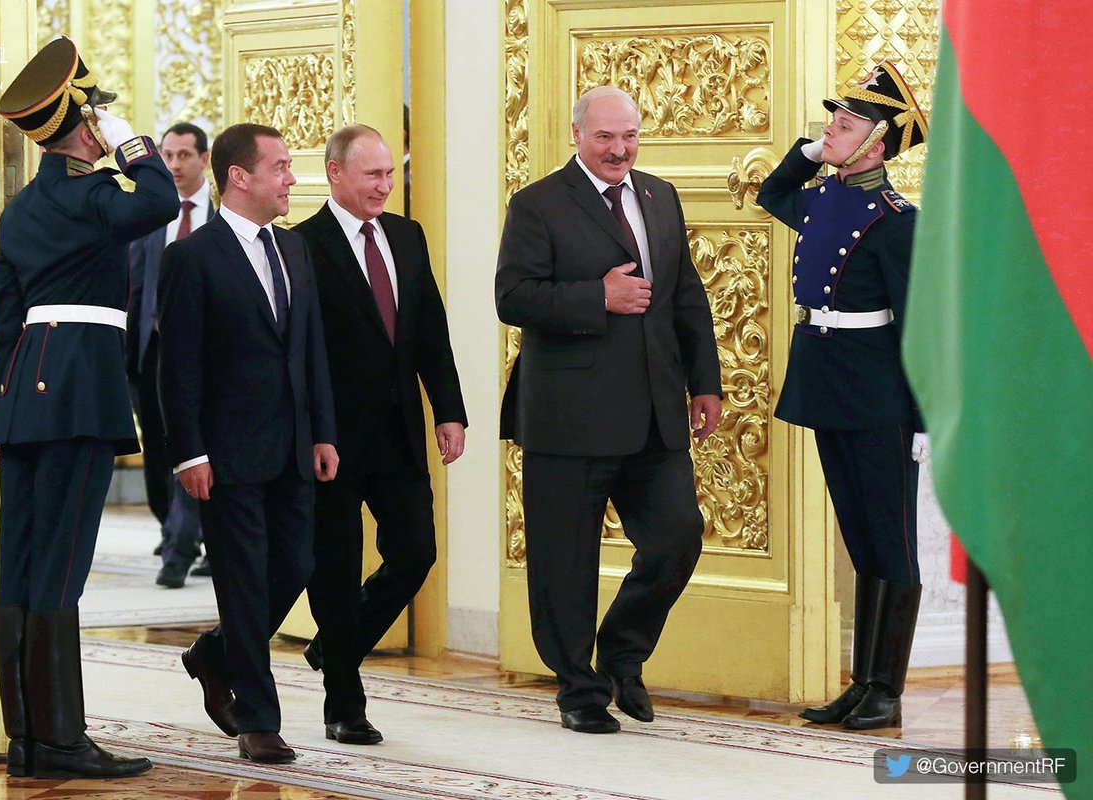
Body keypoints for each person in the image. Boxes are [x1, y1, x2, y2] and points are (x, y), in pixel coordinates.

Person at [495, 86, 722, 734]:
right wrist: (596, 296)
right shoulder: (537, 204)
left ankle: (622, 653)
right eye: (605, 137)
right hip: (569, 417)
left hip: (654, 412)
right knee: (564, 565)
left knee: (677, 537)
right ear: (576, 135)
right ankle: (579, 690)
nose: (619, 149)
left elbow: (685, 294)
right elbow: (513, 297)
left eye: (629, 136)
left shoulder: (661, 196)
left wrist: (705, 383)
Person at [0, 36, 179, 778]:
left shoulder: (22, 210)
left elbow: (4, 321)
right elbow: (160, 200)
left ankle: (27, 739)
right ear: (83, 122)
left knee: (22, 564)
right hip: (79, 393)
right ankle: (62, 741)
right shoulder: (94, 197)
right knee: (62, 565)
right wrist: (131, 141)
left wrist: (2, 406)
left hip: (23, 395)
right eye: (96, 112)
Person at [158, 123, 339, 763]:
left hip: (293, 446)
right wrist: (189, 452)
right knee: (241, 580)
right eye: (281, 167)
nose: (292, 178)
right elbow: (177, 365)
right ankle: (258, 721)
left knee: (296, 564)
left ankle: (215, 652)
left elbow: (310, 349)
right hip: (226, 453)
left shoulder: (294, 248)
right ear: (240, 176)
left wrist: (322, 432)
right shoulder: (191, 257)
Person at [756, 61, 929, 730]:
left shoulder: (897, 220)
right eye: (833, 120)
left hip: (880, 394)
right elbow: (773, 191)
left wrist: (923, 417)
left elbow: (919, 324)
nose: (831, 130)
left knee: (892, 539)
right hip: (827, 382)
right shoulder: (822, 198)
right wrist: (810, 152)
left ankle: (887, 689)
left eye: (847, 125)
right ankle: (862, 684)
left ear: (878, 145)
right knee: (859, 537)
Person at [294, 124, 467, 745]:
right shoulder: (301, 245)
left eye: (390, 173)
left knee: (416, 552)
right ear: (335, 173)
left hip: (398, 433)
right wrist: (312, 432)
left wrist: (448, 410)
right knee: (335, 572)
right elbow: (298, 351)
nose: (385, 185)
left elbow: (430, 329)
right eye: (373, 174)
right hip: (331, 441)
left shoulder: (406, 235)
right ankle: (344, 704)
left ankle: (334, 646)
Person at [126, 121, 215, 588]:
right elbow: (133, 286)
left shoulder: (221, 218)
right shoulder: (152, 215)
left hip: (206, 353)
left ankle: (182, 547)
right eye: (168, 155)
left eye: (184, 155)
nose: (175, 164)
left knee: (194, 444)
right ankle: (175, 532)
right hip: (152, 350)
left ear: (204, 159)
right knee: (158, 451)